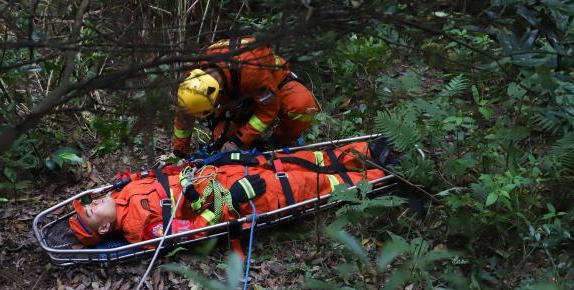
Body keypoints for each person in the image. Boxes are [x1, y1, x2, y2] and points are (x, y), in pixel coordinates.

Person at [69, 141, 387, 246]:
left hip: (226, 171)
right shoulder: (144, 230)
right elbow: (195, 231)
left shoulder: (122, 190)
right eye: (92, 211)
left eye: (90, 202)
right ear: (106, 228)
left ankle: (371, 150)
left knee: (300, 159)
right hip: (242, 195)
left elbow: (163, 175)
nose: (95, 201)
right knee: (303, 184)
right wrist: (232, 199)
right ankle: (383, 175)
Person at [170, 37, 319, 157]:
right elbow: (185, 112)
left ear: (219, 94)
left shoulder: (252, 71)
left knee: (302, 106)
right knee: (222, 145)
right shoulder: (195, 73)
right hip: (240, 92)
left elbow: (268, 110)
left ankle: (277, 142)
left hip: (274, 81)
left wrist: (238, 141)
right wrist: (180, 150)